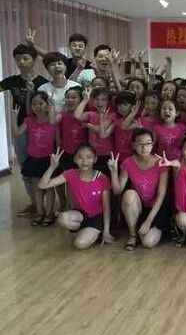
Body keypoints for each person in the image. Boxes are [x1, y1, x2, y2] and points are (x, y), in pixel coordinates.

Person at [1, 44, 48, 215]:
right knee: (25, 167)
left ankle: (46, 203)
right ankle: (34, 202)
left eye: (25, 58)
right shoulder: (10, 81)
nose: (21, 62)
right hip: (19, 129)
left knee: (42, 165)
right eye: (18, 59)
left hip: (40, 130)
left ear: (34, 60)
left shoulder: (43, 83)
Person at [38, 144, 114, 249]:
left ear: (95, 159)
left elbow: (106, 207)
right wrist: (52, 167)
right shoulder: (70, 174)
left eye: (89, 157)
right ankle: (84, 230)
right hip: (80, 214)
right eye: (80, 157)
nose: (84, 161)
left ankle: (95, 232)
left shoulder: (102, 178)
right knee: (62, 218)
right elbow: (42, 185)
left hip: (97, 217)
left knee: (79, 244)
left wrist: (106, 231)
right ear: (75, 159)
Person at [108, 128, 169, 251]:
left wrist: (148, 221)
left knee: (148, 242)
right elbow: (117, 191)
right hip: (139, 206)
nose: (144, 147)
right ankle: (133, 235)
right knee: (128, 195)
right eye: (140, 143)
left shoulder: (160, 163)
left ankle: (153, 230)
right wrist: (114, 172)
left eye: (148, 143)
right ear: (133, 145)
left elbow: (161, 195)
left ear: (152, 144)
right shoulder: (128, 162)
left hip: (156, 208)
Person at [10, 91, 58, 226]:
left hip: (48, 160)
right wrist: (14, 117)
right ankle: (40, 213)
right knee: (37, 187)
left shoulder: (52, 119)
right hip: (34, 159)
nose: (37, 107)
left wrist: (52, 107)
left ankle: (50, 214)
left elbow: (53, 122)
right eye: (34, 104)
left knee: (49, 187)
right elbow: (16, 132)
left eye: (41, 103)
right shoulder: (29, 120)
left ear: (47, 104)